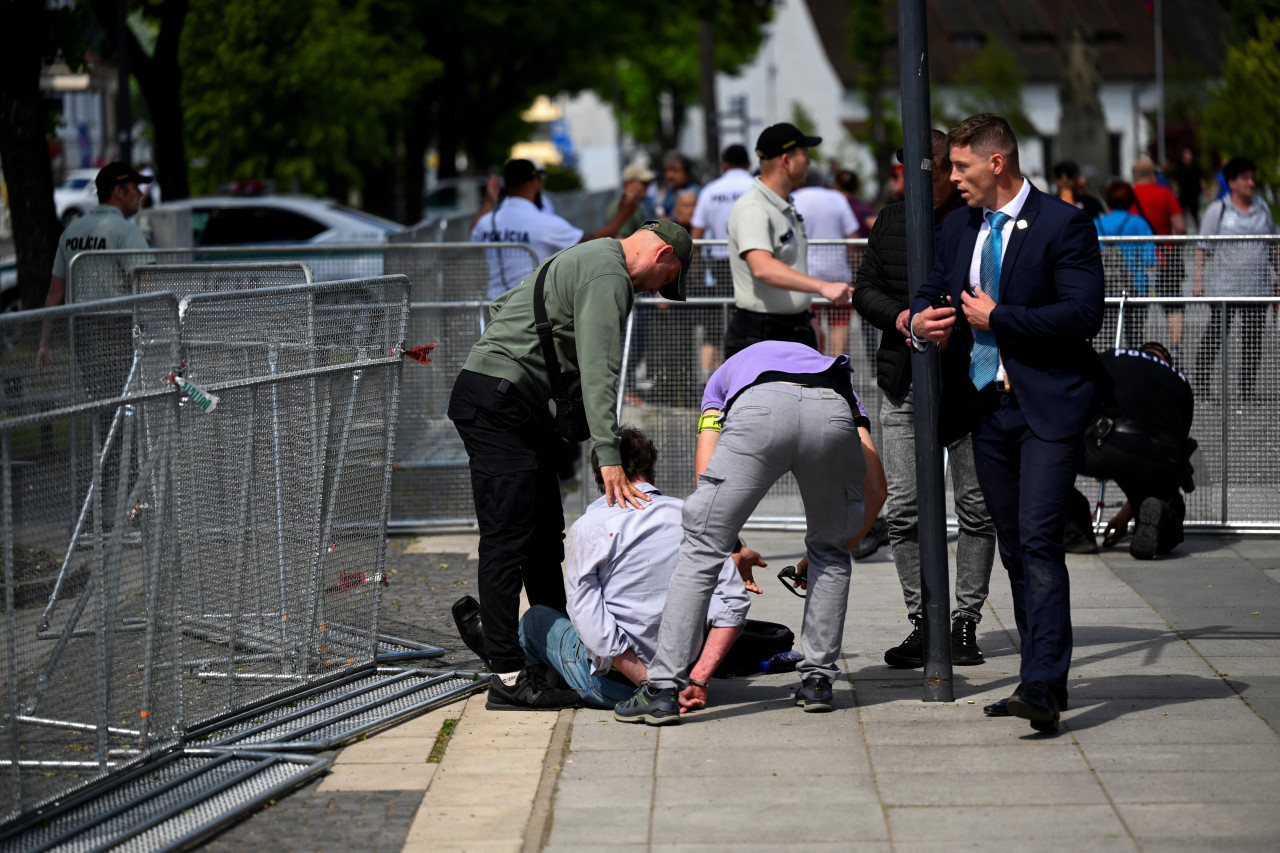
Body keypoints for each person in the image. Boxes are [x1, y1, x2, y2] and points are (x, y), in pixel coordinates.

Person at [911, 113, 1107, 735]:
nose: (953, 177)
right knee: (1017, 549)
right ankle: (1039, 677)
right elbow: (933, 287)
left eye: (961, 167)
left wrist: (1004, 319)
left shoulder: (1063, 224)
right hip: (985, 410)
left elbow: (1082, 314)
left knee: (1041, 539)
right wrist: (922, 317)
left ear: (996, 163)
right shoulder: (958, 226)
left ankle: (1043, 684)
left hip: (1045, 406)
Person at [448, 220, 692, 711]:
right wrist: (609, 456)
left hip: (512, 401)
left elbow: (505, 307)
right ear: (662, 253)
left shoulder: (589, 252)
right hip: (499, 404)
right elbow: (602, 370)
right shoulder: (610, 277)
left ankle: (551, 653)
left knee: (543, 536)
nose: (659, 290)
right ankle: (507, 672)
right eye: (668, 279)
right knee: (508, 538)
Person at [614, 340, 886, 725]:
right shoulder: (836, 377)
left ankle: (661, 690)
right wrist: (840, 542)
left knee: (700, 551)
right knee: (831, 554)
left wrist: (731, 544)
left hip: (759, 409)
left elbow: (706, 476)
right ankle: (818, 683)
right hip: (831, 413)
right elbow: (877, 490)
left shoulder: (725, 376)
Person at [853, 128, 996, 669]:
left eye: (931, 169)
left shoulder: (979, 219)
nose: (914, 180)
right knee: (906, 508)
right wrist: (904, 318)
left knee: (977, 509)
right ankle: (924, 620)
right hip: (904, 379)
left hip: (969, 382)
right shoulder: (891, 219)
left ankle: (965, 622)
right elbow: (863, 289)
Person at [518, 427, 755, 708]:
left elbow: (591, 622)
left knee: (536, 619)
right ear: (652, 466)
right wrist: (698, 681)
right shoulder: (693, 519)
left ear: (599, 476)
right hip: (684, 680)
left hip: (612, 686)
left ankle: (522, 672)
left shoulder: (591, 528)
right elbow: (734, 605)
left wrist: (653, 688)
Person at [722, 123, 854, 359]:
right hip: (761, 334)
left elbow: (791, 266)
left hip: (792, 327)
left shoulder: (786, 206)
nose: (809, 162)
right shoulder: (753, 208)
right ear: (786, 161)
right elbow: (762, 267)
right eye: (805, 154)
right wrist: (822, 287)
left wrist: (808, 316)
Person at [1066, 343, 1195, 560]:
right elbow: (1181, 442)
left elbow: (1082, 398)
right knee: (1162, 496)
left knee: (1037, 460)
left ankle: (1077, 530)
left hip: (1111, 442)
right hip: (1164, 458)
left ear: (1141, 352)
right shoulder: (1180, 381)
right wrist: (1127, 515)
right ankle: (1162, 515)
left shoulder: (1116, 355)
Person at [470, 159, 643, 300]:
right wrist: (624, 213)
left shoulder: (488, 221)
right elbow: (591, 241)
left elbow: (474, 232)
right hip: (526, 306)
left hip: (492, 305)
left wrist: (489, 202)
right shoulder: (543, 222)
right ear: (534, 183)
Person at [1192, 156, 1276, 402]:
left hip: (1257, 287)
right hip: (1224, 287)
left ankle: (1246, 389)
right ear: (1232, 182)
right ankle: (1203, 386)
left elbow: (1273, 246)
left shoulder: (1263, 208)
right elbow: (1201, 246)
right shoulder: (1219, 210)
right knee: (1216, 334)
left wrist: (1278, 276)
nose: (1251, 183)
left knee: (1253, 339)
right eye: (1245, 178)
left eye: (1252, 177)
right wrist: (1199, 280)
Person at [690, 144, 755, 373]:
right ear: (748, 164)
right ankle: (748, 376)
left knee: (715, 326)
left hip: (719, 264)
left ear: (724, 164)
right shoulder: (757, 187)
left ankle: (712, 383)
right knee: (751, 320)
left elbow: (696, 237)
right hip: (753, 262)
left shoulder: (710, 191)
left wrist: (695, 271)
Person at [792, 167, 859, 359]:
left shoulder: (794, 198)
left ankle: (814, 368)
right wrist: (851, 262)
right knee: (840, 322)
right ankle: (838, 367)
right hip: (837, 270)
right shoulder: (837, 198)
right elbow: (852, 234)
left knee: (810, 322)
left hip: (807, 274)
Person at [1130, 155, 1189, 354]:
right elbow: (1180, 226)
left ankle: (1135, 347)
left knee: (1136, 306)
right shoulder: (1165, 194)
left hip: (1134, 260)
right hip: (1166, 257)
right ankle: (1175, 345)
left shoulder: (1126, 195)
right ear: (1152, 175)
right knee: (1173, 303)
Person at [1095, 180, 1157, 349]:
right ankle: (1132, 370)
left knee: (1106, 337)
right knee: (1135, 336)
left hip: (1104, 288)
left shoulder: (1096, 223)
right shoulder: (1140, 223)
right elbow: (1150, 259)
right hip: (1135, 286)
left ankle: (1107, 370)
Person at [604, 164, 659, 238]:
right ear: (628, 183)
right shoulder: (623, 207)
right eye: (644, 183)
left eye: (648, 183)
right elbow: (621, 241)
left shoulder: (636, 206)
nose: (648, 186)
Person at [833, 168, 877, 235]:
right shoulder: (864, 208)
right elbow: (880, 230)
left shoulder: (832, 208)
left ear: (835, 187)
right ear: (857, 187)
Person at [658, 152, 700, 221]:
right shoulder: (669, 192)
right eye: (666, 170)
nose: (669, 175)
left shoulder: (695, 193)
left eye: (675, 170)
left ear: (686, 172)